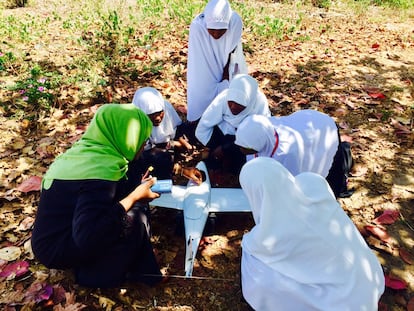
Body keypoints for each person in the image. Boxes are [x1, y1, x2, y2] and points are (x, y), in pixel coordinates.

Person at [31, 104, 164, 288]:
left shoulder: (89, 153)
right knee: (135, 217)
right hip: (58, 248)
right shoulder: (99, 174)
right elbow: (90, 235)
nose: (143, 145)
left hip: (56, 236)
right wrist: (134, 197)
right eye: (141, 139)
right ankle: (98, 275)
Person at [239, 157, 385, 311]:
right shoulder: (314, 190)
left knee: (256, 270)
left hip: (346, 304)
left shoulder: (268, 238)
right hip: (371, 278)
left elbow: (252, 248)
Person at [234, 110, 354, 198]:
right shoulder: (260, 129)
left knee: (332, 170)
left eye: (245, 148)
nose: (241, 150)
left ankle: (344, 153)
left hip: (322, 130)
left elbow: (294, 184)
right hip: (304, 124)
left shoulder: (286, 154)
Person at [185, 0, 248, 142]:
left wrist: (226, 70)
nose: (216, 34)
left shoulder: (235, 21)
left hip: (228, 60)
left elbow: (233, 48)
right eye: (212, 29)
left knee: (232, 92)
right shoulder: (197, 26)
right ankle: (199, 122)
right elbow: (198, 59)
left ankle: (227, 126)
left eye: (221, 30)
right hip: (204, 65)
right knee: (200, 91)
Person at [195, 74, 271, 175]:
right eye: (230, 102)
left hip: (247, 141)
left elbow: (260, 137)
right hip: (224, 133)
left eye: (239, 104)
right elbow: (203, 126)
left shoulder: (260, 105)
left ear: (249, 101)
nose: (233, 107)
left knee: (240, 166)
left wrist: (226, 148)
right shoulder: (223, 99)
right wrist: (214, 146)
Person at [131, 87, 197, 181]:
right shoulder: (134, 121)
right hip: (149, 153)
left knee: (192, 128)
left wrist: (185, 143)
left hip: (167, 144)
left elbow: (177, 128)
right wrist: (173, 145)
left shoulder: (166, 107)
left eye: (160, 113)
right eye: (152, 115)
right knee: (161, 158)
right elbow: (143, 151)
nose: (158, 118)